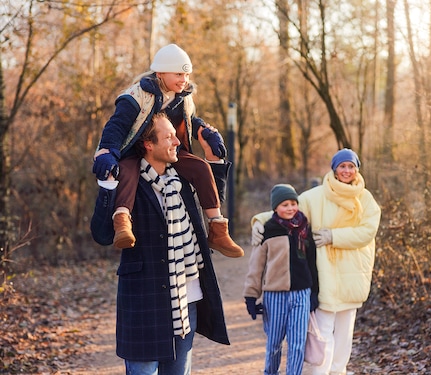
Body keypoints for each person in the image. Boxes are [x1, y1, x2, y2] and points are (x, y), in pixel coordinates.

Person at [90, 113, 230, 374]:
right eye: (168, 137)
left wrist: (215, 158)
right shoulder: (127, 182)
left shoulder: (183, 181)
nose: (177, 142)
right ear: (148, 144)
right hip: (144, 301)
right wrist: (106, 186)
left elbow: (214, 196)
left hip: (186, 299)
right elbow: (102, 234)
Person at [92, 43, 243, 258]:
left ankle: (218, 228)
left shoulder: (183, 98)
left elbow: (190, 121)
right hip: (136, 147)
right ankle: (122, 222)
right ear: (161, 73)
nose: (184, 80)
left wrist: (204, 131)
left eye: (187, 74)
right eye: (179, 74)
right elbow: (117, 125)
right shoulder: (137, 95)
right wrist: (107, 149)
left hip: (170, 146)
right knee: (126, 171)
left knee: (200, 167)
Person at [251, 149, 381, 375]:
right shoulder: (316, 196)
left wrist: (334, 236)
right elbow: (289, 209)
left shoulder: (366, 199)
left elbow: (368, 231)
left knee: (344, 335)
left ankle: (338, 372)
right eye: (342, 166)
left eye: (351, 166)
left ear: (357, 169)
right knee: (322, 332)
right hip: (326, 274)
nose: (347, 171)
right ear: (334, 168)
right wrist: (259, 222)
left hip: (353, 272)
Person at [244, 184, 319, 375]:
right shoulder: (268, 230)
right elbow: (256, 267)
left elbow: (312, 264)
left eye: (293, 203)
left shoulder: (304, 228)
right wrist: (251, 297)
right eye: (285, 204)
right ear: (275, 207)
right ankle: (270, 372)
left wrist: (314, 294)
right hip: (275, 296)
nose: (290, 208)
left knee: (297, 343)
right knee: (275, 342)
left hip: (302, 293)